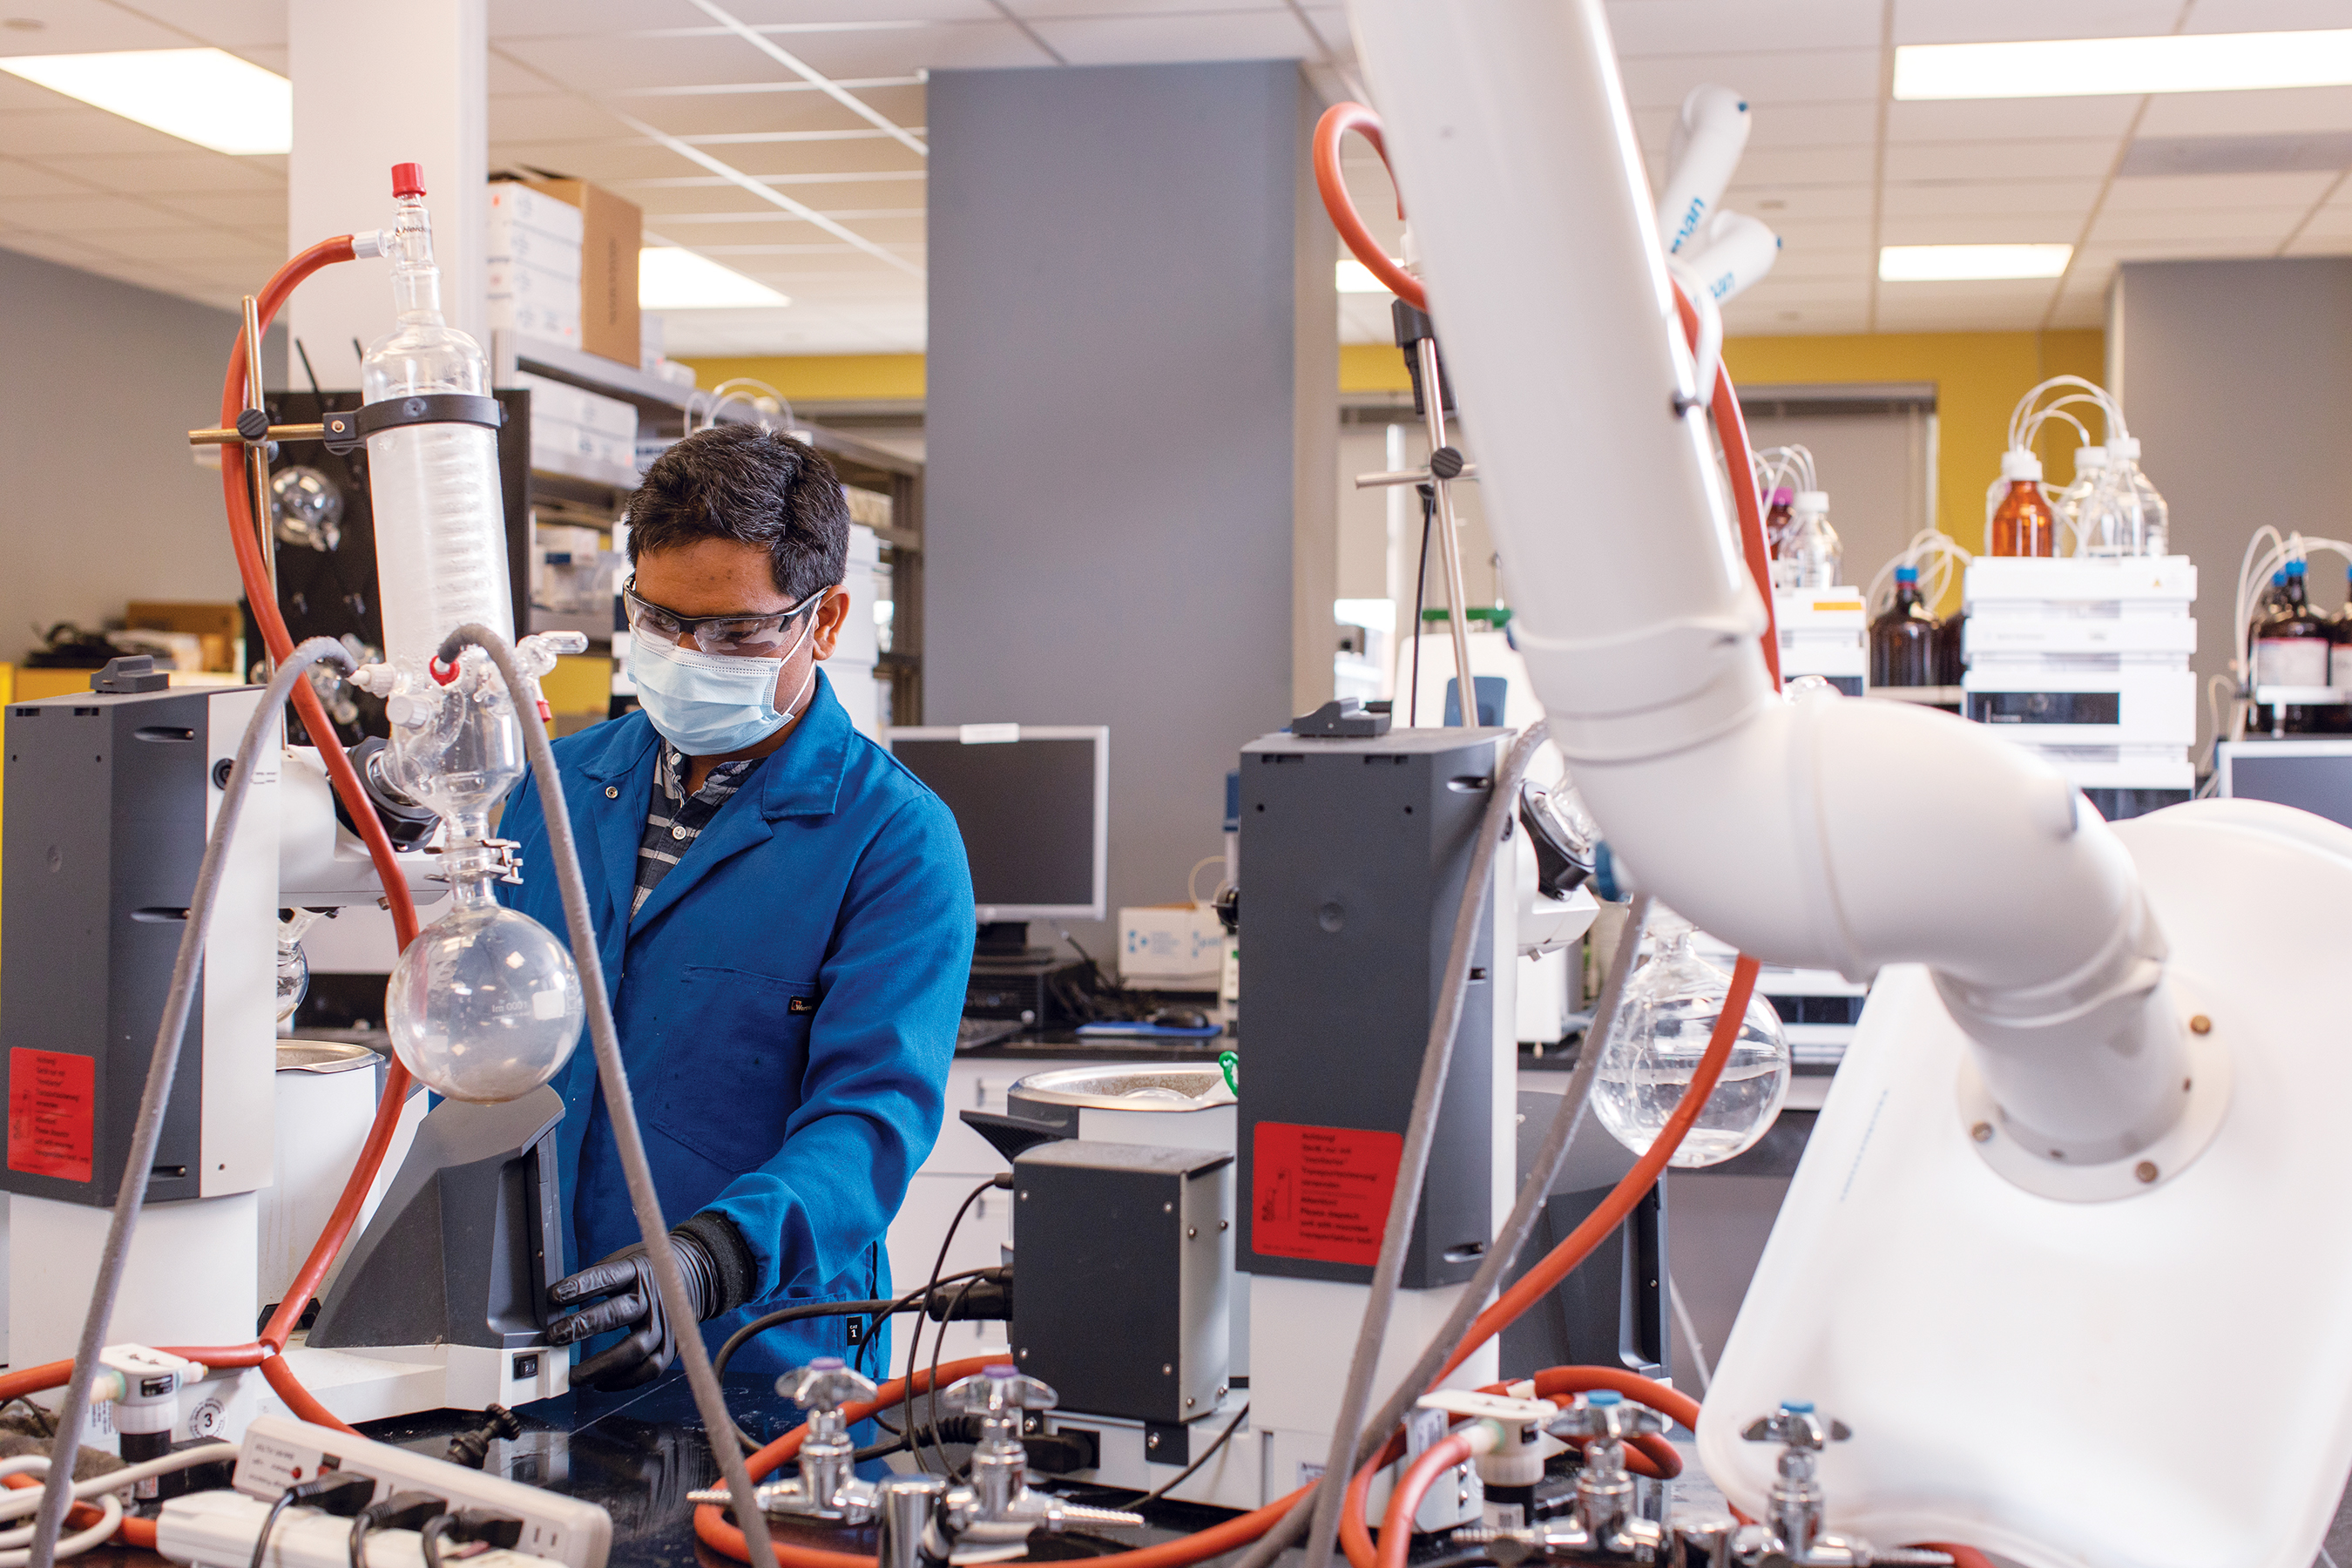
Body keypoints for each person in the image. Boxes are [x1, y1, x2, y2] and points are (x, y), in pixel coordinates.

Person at [495, 423, 975, 1388]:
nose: (687, 654)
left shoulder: (894, 840)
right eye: (660, 619)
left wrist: (712, 1258)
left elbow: (872, 1121)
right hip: (528, 1335)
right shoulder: (554, 788)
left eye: (736, 632)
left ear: (825, 621)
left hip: (764, 1355)